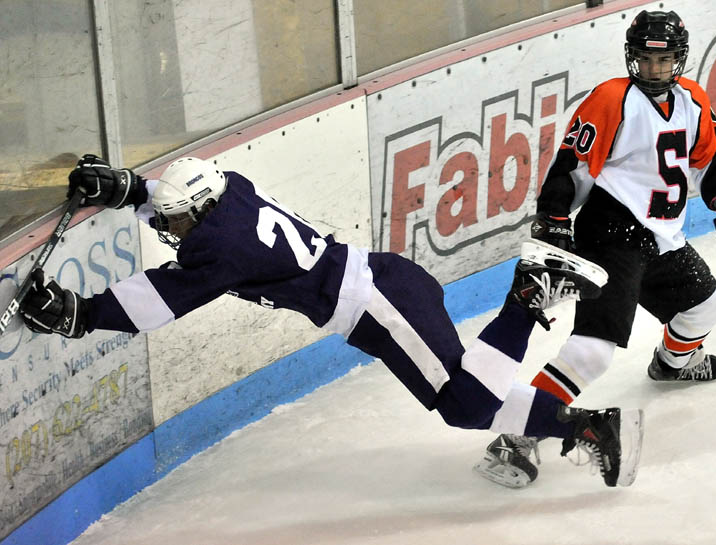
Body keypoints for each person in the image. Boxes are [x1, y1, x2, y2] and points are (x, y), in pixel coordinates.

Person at [20, 154, 645, 488]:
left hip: (376, 302)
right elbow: (180, 194)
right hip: (380, 290)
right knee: (467, 398)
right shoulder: (227, 188)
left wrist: (79, 314)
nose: (168, 229)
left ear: (202, 212)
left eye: (176, 222)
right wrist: (129, 189)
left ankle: (529, 297)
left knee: (462, 405)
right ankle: (588, 427)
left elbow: (159, 298)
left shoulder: (220, 248)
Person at [474, 9, 716, 488]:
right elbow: (571, 166)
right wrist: (557, 220)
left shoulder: (692, 100)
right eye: (645, 60)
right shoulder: (610, 99)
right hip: (611, 235)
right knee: (595, 352)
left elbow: (712, 160)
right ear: (632, 58)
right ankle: (514, 435)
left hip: (663, 235)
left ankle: (671, 363)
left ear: (679, 60)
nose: (654, 69)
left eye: (664, 61)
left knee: (707, 307)